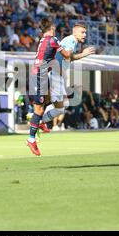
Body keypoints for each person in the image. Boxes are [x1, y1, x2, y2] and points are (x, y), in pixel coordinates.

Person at [26, 18, 73, 156]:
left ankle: (39, 122)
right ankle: (31, 138)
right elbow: (66, 55)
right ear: (51, 27)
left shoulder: (42, 40)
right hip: (39, 77)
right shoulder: (53, 39)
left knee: (49, 100)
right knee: (39, 110)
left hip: (39, 75)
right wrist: (71, 50)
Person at [41, 23, 95, 131]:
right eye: (82, 32)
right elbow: (65, 56)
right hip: (56, 73)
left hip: (57, 74)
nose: (85, 35)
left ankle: (39, 119)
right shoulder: (71, 40)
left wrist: (83, 54)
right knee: (59, 107)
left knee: (59, 103)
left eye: (85, 33)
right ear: (75, 32)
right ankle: (39, 121)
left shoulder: (71, 41)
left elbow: (70, 57)